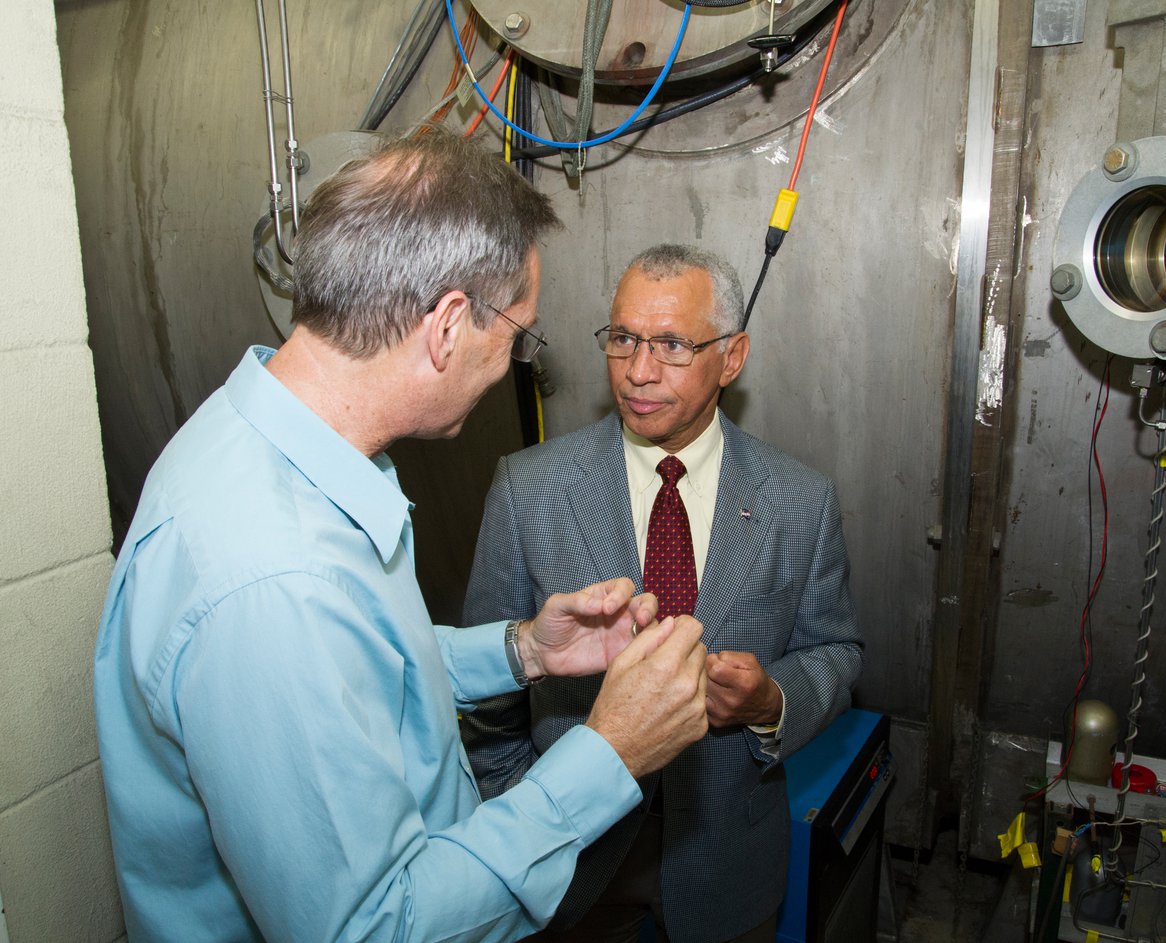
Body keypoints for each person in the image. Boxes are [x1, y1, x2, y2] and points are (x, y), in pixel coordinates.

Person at [93, 132, 711, 943]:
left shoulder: (278, 447)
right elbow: (376, 927)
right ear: (449, 324)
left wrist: (524, 650)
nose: (510, 365)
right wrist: (610, 752)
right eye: (518, 335)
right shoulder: (276, 579)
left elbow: (357, 674)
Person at [461, 244, 865, 943]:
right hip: (571, 864)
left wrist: (773, 700)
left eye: (673, 344)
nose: (639, 371)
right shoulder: (528, 489)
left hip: (728, 861)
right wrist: (523, 810)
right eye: (623, 339)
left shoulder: (800, 499)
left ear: (731, 357)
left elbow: (838, 649)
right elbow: (487, 679)